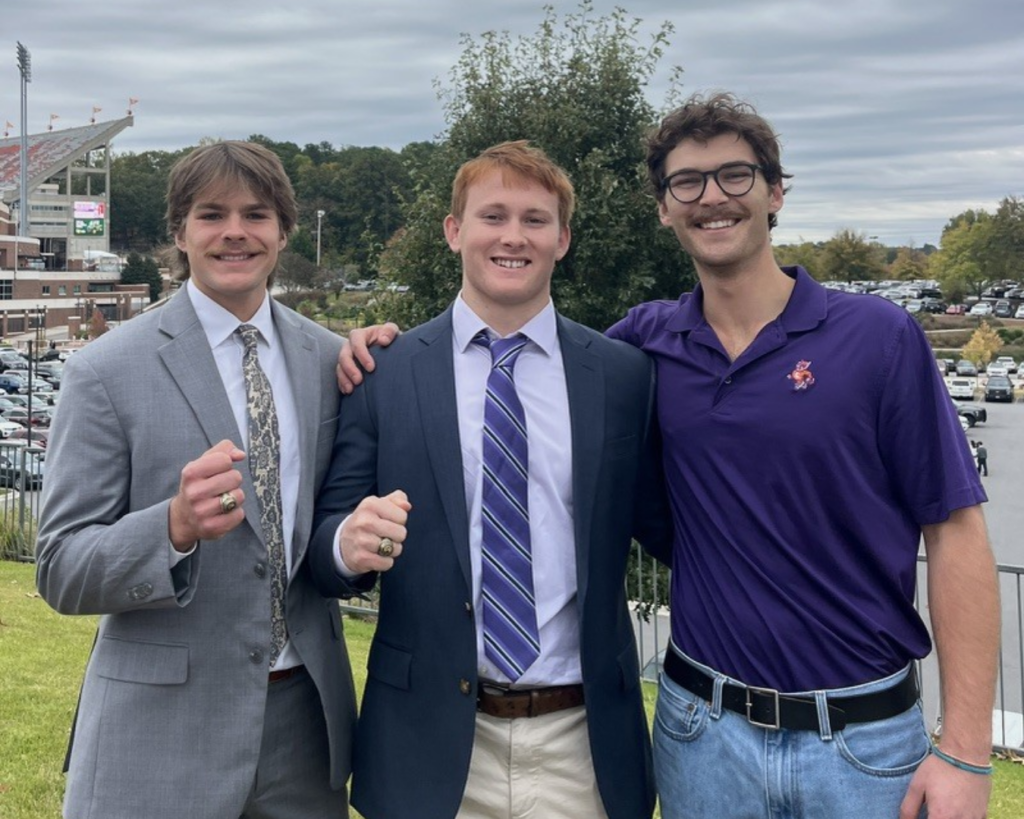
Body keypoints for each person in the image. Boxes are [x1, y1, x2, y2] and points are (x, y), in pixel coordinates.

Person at [339, 95, 1000, 819]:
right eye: (688, 181)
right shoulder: (642, 350)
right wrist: (376, 345)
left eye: (736, 176)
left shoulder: (877, 337)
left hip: (861, 743)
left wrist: (965, 748)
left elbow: (955, 531)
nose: (712, 196)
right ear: (664, 207)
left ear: (777, 192)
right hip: (702, 732)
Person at [310, 141, 671, 819]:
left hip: (582, 744)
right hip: (428, 745)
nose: (513, 236)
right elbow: (324, 547)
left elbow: (671, 527)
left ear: (562, 238)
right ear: (454, 231)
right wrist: (345, 545)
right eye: (492, 215)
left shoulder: (623, 377)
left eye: (535, 219)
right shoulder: (383, 373)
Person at [36, 141, 362, 819]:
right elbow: (61, 566)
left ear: (284, 230)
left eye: (257, 213)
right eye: (211, 214)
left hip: (305, 733)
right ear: (179, 232)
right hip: (159, 734)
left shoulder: (333, 361)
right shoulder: (104, 371)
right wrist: (172, 527)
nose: (235, 231)